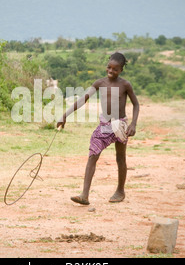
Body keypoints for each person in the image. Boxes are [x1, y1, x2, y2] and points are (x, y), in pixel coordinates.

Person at [57, 52, 140, 205]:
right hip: (104, 125)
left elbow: (136, 104)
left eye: (115, 69)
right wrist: (65, 114)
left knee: (120, 157)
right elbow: (83, 99)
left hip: (120, 125)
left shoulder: (125, 85)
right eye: (109, 67)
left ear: (121, 70)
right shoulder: (99, 83)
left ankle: (120, 190)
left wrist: (133, 123)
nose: (111, 71)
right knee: (93, 154)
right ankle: (84, 195)